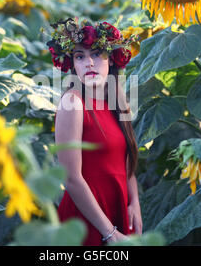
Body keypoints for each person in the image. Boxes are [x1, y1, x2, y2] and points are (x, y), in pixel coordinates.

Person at [48, 18, 142, 245]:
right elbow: (71, 178)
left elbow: (126, 160)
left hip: (118, 213)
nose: (89, 63)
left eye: (97, 54)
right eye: (80, 56)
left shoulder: (116, 102)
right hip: (87, 221)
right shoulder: (72, 103)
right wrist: (109, 233)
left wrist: (134, 202)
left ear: (111, 60)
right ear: (73, 65)